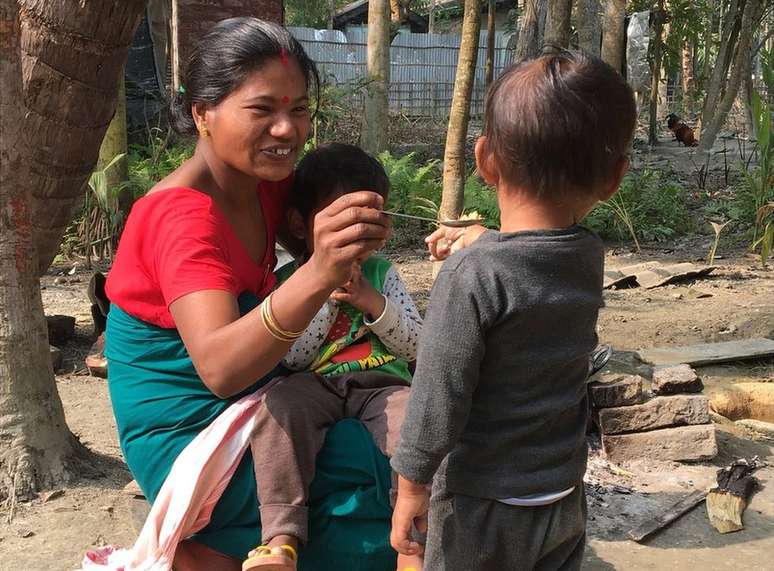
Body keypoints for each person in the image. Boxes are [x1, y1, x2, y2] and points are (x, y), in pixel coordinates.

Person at [104, 18, 394, 571]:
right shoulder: (180, 216)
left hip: (262, 396)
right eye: (262, 110)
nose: (287, 130)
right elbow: (220, 369)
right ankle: (206, 546)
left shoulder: (268, 184)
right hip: (192, 433)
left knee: (401, 439)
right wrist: (320, 270)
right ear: (202, 114)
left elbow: (330, 228)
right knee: (384, 469)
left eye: (300, 109)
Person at [390, 50, 637, 570]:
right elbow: (534, 257)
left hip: (482, 505)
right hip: (560, 495)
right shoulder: (585, 255)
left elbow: (439, 394)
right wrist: (487, 241)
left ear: (484, 160)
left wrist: (411, 485)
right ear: (614, 177)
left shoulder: (471, 276)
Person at [243, 143, 423, 571]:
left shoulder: (383, 273)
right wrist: (321, 291)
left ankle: (414, 543)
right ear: (300, 224)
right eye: (343, 225)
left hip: (382, 382)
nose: (356, 238)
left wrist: (371, 302)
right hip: (314, 383)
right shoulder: (288, 282)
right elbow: (295, 358)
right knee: (277, 408)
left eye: (369, 225)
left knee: (418, 419)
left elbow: (416, 345)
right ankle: (281, 537)